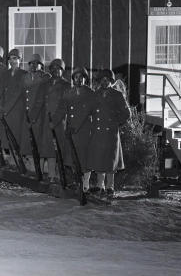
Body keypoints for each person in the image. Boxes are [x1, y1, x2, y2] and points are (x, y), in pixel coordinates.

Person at [87, 69, 130, 197]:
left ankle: (110, 187)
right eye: (102, 80)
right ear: (100, 82)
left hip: (111, 132)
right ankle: (100, 186)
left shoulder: (117, 95)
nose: (105, 82)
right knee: (100, 158)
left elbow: (127, 113)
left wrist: (116, 123)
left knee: (111, 160)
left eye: (107, 80)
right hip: (98, 131)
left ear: (111, 81)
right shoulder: (96, 94)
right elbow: (90, 111)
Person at [55, 66, 95, 191]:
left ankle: (85, 184)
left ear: (85, 79)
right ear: (73, 79)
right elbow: (62, 108)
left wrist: (75, 127)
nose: (78, 80)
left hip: (84, 130)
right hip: (71, 131)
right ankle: (77, 181)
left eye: (81, 77)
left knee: (84, 158)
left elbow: (86, 111)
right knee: (72, 157)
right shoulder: (69, 93)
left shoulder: (89, 93)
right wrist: (53, 121)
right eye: (76, 77)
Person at [20, 53, 51, 172]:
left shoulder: (44, 78)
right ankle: (31, 169)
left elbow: (41, 99)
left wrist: (33, 116)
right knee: (27, 142)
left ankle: (37, 170)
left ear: (41, 66)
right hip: (26, 113)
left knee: (36, 141)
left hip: (38, 115)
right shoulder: (25, 77)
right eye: (31, 63)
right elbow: (23, 95)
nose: (33, 66)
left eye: (36, 64)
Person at [0, 49, 27, 165]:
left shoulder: (24, 75)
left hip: (18, 112)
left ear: (20, 60)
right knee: (6, 140)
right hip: (5, 112)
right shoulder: (5, 74)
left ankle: (19, 165)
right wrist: (0, 107)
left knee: (17, 138)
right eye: (10, 58)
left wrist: (4, 110)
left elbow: (17, 94)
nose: (12, 61)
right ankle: (10, 164)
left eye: (15, 58)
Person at [43, 58, 71, 182]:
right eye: (53, 68)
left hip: (59, 123)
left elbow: (64, 106)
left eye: (58, 69)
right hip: (46, 121)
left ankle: (62, 176)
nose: (55, 71)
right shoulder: (46, 83)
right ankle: (51, 175)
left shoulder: (66, 85)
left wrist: (54, 121)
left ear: (62, 71)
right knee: (49, 149)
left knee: (59, 149)